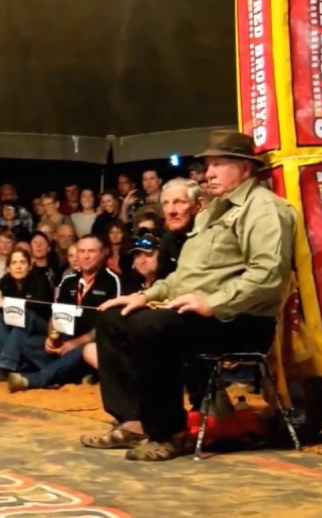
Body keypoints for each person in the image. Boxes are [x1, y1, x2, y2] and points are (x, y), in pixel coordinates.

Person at [83, 131, 295, 462]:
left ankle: (170, 432)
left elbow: (268, 275)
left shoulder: (265, 210)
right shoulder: (211, 211)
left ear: (244, 169)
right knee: (114, 318)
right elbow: (184, 276)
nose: (208, 172)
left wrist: (212, 303)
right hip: (196, 310)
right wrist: (146, 295)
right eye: (208, 165)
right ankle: (134, 421)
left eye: (219, 164)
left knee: (152, 327)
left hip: (240, 318)